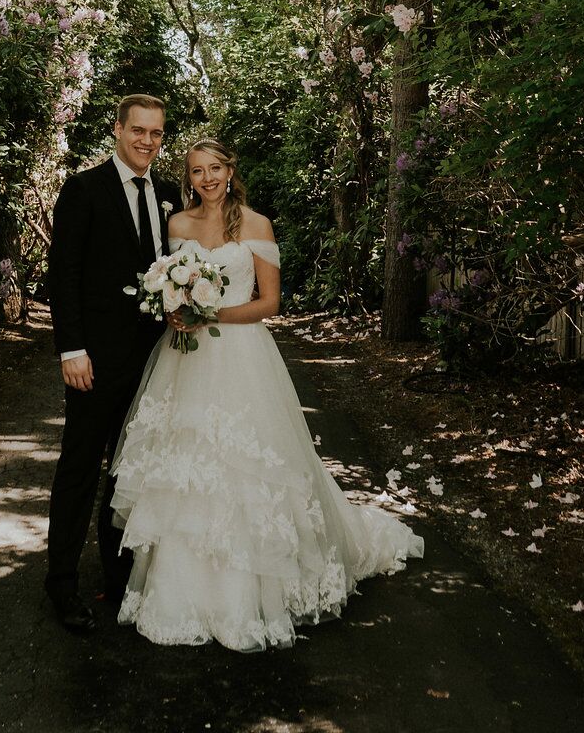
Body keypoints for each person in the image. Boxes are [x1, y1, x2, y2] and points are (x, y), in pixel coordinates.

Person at [109, 136, 425, 651]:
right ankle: (181, 593)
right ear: (186, 178)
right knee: (186, 467)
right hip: (184, 358)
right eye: (195, 171)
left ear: (230, 171)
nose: (206, 178)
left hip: (242, 356)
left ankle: (255, 590)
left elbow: (270, 303)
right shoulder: (178, 226)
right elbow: (170, 285)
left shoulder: (256, 225)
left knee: (247, 464)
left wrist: (210, 313)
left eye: (214, 168)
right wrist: (175, 308)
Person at [45, 94, 183, 632]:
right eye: (138, 131)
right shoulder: (83, 189)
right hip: (94, 362)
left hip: (153, 362)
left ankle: (118, 574)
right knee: (80, 470)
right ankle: (60, 585)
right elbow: (64, 276)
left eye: (156, 133)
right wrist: (71, 349)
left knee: (131, 470)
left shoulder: (170, 194)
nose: (147, 141)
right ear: (118, 130)